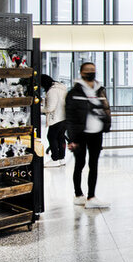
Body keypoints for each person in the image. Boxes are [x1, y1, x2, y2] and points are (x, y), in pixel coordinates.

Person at [65, 62, 112, 208]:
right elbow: (70, 117)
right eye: (87, 70)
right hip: (80, 134)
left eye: (93, 70)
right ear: (81, 72)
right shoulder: (74, 93)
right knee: (79, 164)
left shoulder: (100, 90)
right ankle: (78, 194)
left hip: (96, 133)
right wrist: (71, 139)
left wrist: (106, 125)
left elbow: (106, 108)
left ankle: (91, 196)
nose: (91, 72)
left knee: (94, 164)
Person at [41, 75, 68, 167]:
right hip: (64, 117)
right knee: (61, 138)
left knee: (51, 137)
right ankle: (62, 159)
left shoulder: (52, 91)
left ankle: (55, 159)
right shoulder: (61, 88)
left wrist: (39, 109)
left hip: (56, 118)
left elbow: (50, 108)